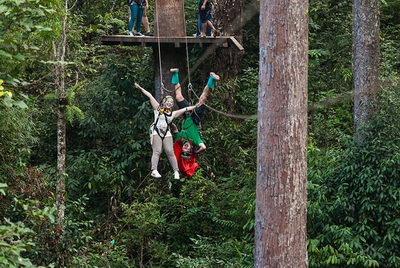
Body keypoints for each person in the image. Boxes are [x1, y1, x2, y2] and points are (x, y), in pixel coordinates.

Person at [134, 82, 199, 180]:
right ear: (164, 102)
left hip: (166, 133)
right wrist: (140, 88)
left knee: (170, 151)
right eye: (168, 102)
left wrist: (195, 106)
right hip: (157, 131)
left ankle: (176, 171)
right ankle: (154, 170)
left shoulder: (172, 114)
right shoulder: (158, 109)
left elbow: (185, 109)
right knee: (157, 151)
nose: (170, 103)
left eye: (171, 103)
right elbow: (150, 96)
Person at [169, 68, 220, 178]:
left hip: (187, 114)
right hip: (195, 118)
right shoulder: (195, 140)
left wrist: (166, 122)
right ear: (191, 149)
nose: (185, 148)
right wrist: (198, 151)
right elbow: (203, 146)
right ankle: (211, 79)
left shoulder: (181, 139)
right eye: (187, 149)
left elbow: (174, 129)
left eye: (184, 149)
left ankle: (175, 73)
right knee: (202, 99)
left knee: (178, 96)